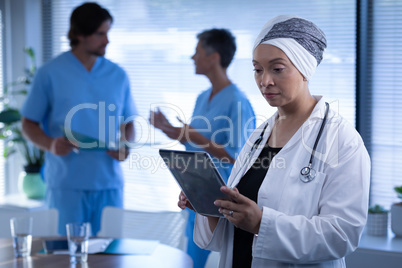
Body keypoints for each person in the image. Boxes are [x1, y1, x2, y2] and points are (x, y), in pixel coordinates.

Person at [178, 15, 371, 267]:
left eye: (277, 69)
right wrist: (210, 207)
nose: (264, 81)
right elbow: (235, 225)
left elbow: (342, 235)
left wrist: (261, 222)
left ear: (305, 68)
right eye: (258, 69)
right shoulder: (259, 135)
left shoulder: (341, 140)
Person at [21, 2, 137, 236]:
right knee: (66, 255)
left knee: (110, 256)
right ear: (80, 34)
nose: (107, 40)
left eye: (108, 33)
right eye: (100, 34)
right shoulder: (50, 73)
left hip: (108, 184)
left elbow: (129, 123)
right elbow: (28, 123)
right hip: (66, 186)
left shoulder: (118, 75)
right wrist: (51, 144)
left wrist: (126, 145)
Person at [150, 28, 255, 268]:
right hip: (195, 194)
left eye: (197, 52)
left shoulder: (238, 101)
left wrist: (190, 133)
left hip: (222, 199)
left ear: (213, 57)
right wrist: (170, 129)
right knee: (190, 260)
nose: (192, 57)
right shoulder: (201, 97)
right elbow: (193, 144)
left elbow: (235, 155)